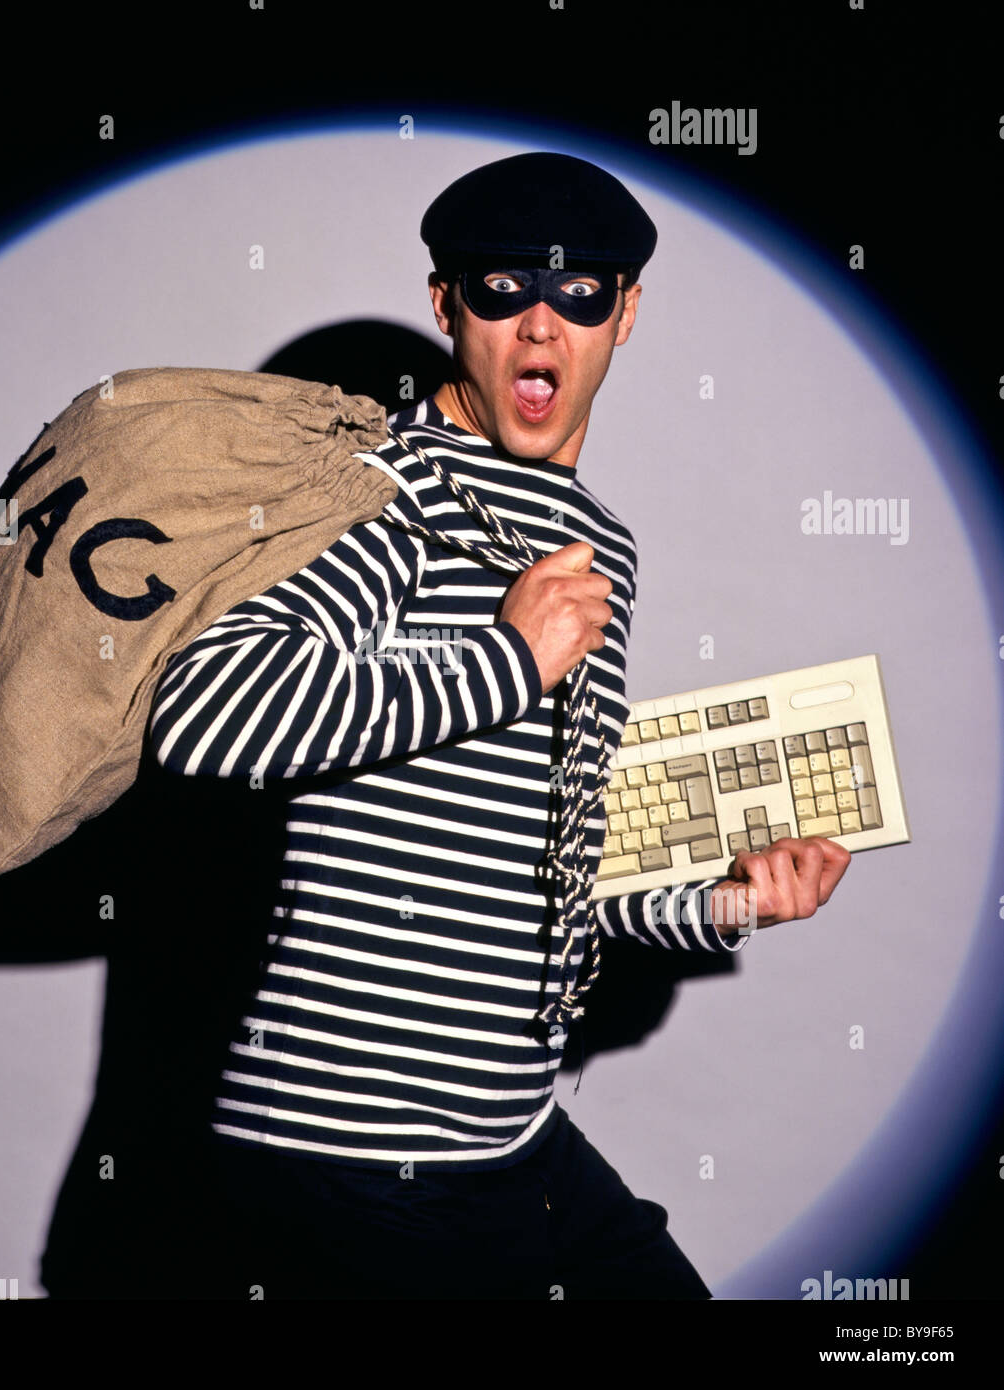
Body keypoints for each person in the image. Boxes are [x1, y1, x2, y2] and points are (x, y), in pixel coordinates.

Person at [97, 151, 852, 1301]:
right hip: (354, 1155)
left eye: (579, 292)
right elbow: (203, 713)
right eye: (502, 288)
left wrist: (727, 902)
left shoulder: (598, 542)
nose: (539, 323)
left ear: (625, 313)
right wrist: (504, 660)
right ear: (445, 302)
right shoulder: (384, 493)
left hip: (507, 1132)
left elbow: (554, 854)